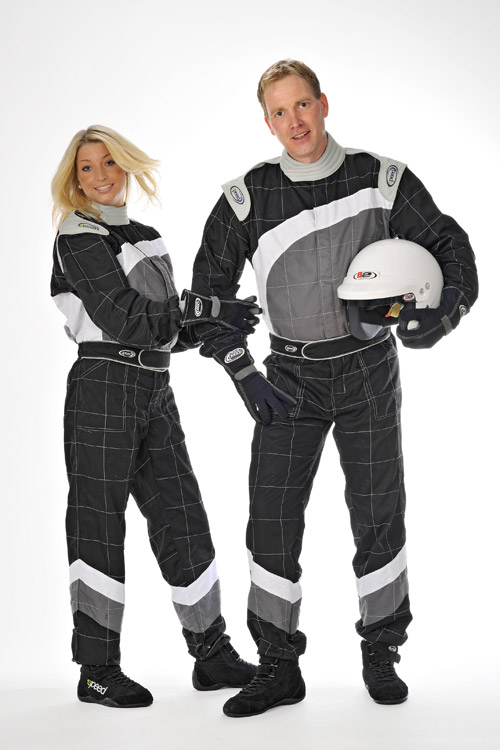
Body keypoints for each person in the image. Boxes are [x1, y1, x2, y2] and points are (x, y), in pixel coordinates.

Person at [190, 59, 479, 717]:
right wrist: (242, 372)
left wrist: (439, 314)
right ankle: (277, 666)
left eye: (303, 105)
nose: (294, 121)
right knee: (272, 519)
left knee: (379, 514)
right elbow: (207, 296)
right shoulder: (245, 199)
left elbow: (449, 246)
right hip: (288, 380)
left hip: (368, 370)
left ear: (324, 104)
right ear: (267, 122)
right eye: (279, 112)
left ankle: (382, 652)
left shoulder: (382, 179)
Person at [50, 125, 260, 708]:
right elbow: (124, 319)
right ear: (75, 180)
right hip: (102, 385)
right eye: (86, 167)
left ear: (126, 166)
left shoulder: (147, 237)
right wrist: (207, 306)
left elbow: (164, 331)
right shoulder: (77, 234)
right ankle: (97, 670)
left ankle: (211, 654)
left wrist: (216, 321)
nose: (100, 175)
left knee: (182, 516)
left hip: (154, 388)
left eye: (109, 163)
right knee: (99, 525)